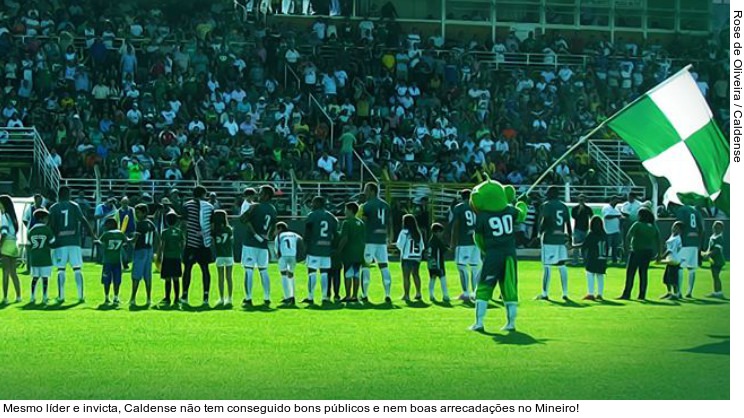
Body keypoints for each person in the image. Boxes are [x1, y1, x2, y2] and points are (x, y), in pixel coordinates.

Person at [48, 186, 96, 303]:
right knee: (77, 268)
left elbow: (51, 225)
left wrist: (51, 240)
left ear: (59, 195)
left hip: (60, 242)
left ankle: (61, 296)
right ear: (68, 194)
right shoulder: (74, 206)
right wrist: (92, 235)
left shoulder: (54, 208)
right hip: (74, 242)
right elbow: (83, 220)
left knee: (61, 269)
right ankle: (80, 296)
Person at [239, 185, 277, 306]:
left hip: (251, 242)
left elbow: (243, 219)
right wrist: (267, 237)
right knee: (263, 270)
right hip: (263, 243)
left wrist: (249, 209)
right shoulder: (272, 209)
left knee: (249, 270)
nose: (258, 195)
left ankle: (248, 298)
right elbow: (273, 227)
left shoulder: (256, 207)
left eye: (260, 193)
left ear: (266, 195)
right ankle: (267, 297)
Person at [536, 186, 572, 301]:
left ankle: (545, 293)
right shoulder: (563, 206)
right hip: (561, 239)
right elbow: (568, 223)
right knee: (562, 266)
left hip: (549, 239)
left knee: (547, 266)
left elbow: (545, 221)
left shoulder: (547, 205)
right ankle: (565, 292)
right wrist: (570, 238)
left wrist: (539, 234)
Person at [181, 186, 215, 306]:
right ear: (203, 194)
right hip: (204, 243)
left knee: (187, 270)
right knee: (205, 270)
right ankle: (206, 297)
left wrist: (186, 238)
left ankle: (184, 295)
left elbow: (184, 224)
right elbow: (212, 226)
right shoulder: (210, 207)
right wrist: (203, 234)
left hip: (191, 243)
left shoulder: (186, 205)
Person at [359, 182, 392, 303]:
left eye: (366, 190)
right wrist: (389, 237)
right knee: (384, 266)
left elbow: (364, 222)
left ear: (372, 191)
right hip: (382, 240)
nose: (365, 192)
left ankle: (364, 294)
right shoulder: (386, 205)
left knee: (366, 267)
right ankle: (388, 294)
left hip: (369, 240)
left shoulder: (367, 206)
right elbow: (389, 223)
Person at [302, 196, 338, 304]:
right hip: (326, 249)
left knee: (312, 272)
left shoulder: (312, 215)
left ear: (318, 203)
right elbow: (335, 234)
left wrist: (305, 246)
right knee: (324, 273)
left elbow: (307, 232)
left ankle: (310, 297)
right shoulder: (331, 217)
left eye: (313, 203)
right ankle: (324, 297)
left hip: (314, 248)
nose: (312, 205)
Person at [619, 208, 660, 301]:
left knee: (630, 273)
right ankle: (642, 294)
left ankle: (627, 293)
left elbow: (628, 236)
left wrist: (626, 248)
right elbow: (658, 239)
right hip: (648, 252)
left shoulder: (637, 224)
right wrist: (659, 254)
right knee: (643, 273)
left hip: (636, 251)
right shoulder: (653, 226)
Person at [450, 189, 480, 301]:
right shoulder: (477, 207)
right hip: (475, 242)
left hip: (463, 242)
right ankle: (476, 292)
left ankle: (466, 293)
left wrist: (453, 241)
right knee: (475, 268)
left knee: (462, 267)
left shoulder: (459, 208)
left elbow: (456, 225)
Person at [336, 202, 365, 302]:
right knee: (356, 274)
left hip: (349, 252)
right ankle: (355, 295)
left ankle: (348, 295)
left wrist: (338, 250)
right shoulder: (360, 223)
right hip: (359, 252)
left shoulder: (347, 222)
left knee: (348, 273)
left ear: (350, 210)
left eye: (346, 210)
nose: (345, 212)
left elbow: (345, 238)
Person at [97, 217, 129, 305]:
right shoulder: (120, 234)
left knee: (106, 280)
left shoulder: (106, 234)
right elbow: (127, 242)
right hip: (117, 261)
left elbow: (101, 242)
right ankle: (116, 297)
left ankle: (107, 297)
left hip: (107, 261)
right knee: (117, 280)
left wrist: (97, 242)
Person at [130, 204, 157, 307]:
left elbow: (135, 238)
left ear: (144, 213)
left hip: (140, 250)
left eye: (138, 212)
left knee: (136, 275)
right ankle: (149, 298)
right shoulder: (151, 223)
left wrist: (129, 241)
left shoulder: (140, 224)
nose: (137, 215)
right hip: (149, 250)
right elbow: (156, 237)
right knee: (147, 275)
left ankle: (133, 298)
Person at [27, 209, 55, 304]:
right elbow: (52, 242)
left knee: (35, 278)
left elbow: (29, 244)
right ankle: (44, 297)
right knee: (45, 278)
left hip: (34, 258)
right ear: (42, 218)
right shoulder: (47, 229)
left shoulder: (31, 230)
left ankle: (32, 296)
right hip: (45, 258)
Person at [675, 203, 703, 298]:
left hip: (685, 241)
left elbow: (680, 225)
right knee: (692, 268)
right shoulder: (696, 211)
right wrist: (699, 242)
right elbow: (701, 228)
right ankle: (690, 291)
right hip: (694, 241)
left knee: (680, 267)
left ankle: (679, 291)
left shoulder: (682, 210)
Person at [577, 216, 608, 301]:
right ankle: (600, 294)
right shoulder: (604, 234)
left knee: (590, 274)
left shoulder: (592, 234)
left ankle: (591, 293)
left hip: (593, 258)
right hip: (602, 258)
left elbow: (585, 245)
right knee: (600, 275)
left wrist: (582, 255)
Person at [396, 214, 425, 301]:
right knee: (416, 275)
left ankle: (406, 295)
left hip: (406, 257)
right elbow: (422, 246)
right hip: (416, 257)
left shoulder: (404, 232)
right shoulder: (418, 233)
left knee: (406, 276)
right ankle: (418, 293)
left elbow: (400, 245)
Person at [158, 210, 184, 306]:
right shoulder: (179, 232)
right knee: (176, 278)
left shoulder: (165, 232)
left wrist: (159, 256)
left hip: (167, 257)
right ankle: (177, 298)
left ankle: (167, 298)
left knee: (167, 278)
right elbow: (182, 245)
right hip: (176, 258)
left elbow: (162, 245)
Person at [274, 222, 303, 305]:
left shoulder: (279, 236)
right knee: (291, 275)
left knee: (284, 275)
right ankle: (293, 296)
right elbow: (301, 241)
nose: (275, 231)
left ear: (280, 229)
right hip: (293, 256)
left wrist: (279, 257)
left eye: (276, 229)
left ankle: (287, 297)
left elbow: (277, 251)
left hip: (283, 256)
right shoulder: (294, 234)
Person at [0, 195, 21, 304]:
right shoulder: (13, 217)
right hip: (14, 244)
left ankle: (5, 297)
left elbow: (3, 233)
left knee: (5, 273)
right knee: (14, 273)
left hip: (6, 244)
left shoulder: (4, 216)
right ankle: (18, 296)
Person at [213, 210, 234, 306]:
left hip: (219, 255)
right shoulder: (229, 229)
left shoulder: (214, 230)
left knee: (220, 278)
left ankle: (221, 298)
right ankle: (229, 298)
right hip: (229, 255)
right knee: (229, 277)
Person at [659, 222, 683, 300]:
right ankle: (669, 293)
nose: (674, 229)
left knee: (673, 279)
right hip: (669, 260)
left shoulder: (677, 238)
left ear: (680, 230)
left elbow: (670, 250)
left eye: (677, 228)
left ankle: (676, 294)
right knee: (666, 279)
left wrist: (662, 256)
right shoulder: (672, 236)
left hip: (674, 260)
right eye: (674, 227)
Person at [426, 223, 450, 302]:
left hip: (430, 262)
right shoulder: (437, 241)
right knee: (442, 278)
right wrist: (450, 248)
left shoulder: (430, 241)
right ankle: (445, 295)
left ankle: (431, 295)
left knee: (432, 278)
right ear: (437, 232)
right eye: (441, 232)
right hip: (438, 263)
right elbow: (443, 250)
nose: (442, 234)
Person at [702, 221, 726, 299]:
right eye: (715, 227)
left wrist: (708, 254)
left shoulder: (719, 238)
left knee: (716, 275)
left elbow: (716, 250)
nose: (716, 229)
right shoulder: (713, 236)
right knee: (714, 275)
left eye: (718, 228)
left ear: (721, 229)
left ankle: (719, 292)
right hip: (713, 259)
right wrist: (706, 253)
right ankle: (717, 291)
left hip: (718, 260)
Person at [571, 194, 592, 265]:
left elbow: (592, 217)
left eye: (583, 200)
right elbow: (574, 217)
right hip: (577, 229)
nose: (581, 201)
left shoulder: (588, 208)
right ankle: (575, 260)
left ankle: (585, 260)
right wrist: (580, 209)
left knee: (585, 246)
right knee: (576, 246)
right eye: (580, 200)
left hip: (585, 229)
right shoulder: (575, 208)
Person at [601, 196, 623, 264]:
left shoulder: (616, 208)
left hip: (616, 230)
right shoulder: (606, 207)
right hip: (608, 231)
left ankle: (614, 260)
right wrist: (616, 216)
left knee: (615, 246)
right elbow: (606, 216)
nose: (617, 202)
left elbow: (620, 216)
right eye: (615, 200)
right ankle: (605, 259)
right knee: (607, 246)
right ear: (612, 200)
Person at [116, 196, 136, 270]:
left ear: (128, 203)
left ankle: (129, 261)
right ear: (120, 203)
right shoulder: (118, 211)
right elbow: (116, 221)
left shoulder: (132, 210)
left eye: (126, 202)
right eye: (123, 202)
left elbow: (136, 219)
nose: (124, 204)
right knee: (121, 248)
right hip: (122, 232)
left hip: (131, 231)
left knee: (132, 248)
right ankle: (124, 261)